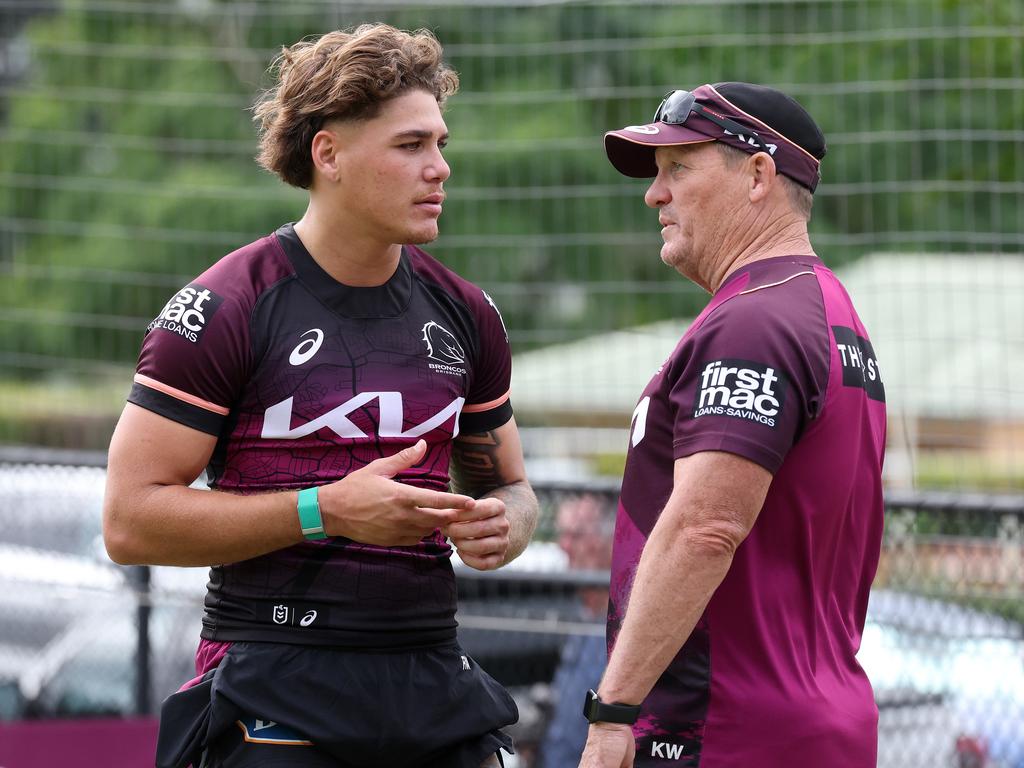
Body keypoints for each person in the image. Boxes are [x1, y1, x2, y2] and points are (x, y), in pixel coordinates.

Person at [101, 24, 538, 768]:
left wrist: (508, 525)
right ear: (328, 154)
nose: (440, 168)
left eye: (440, 143)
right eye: (410, 147)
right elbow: (129, 522)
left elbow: (510, 485)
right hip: (273, 679)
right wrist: (324, 510)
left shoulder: (469, 314)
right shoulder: (225, 308)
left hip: (431, 677)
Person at [577, 83, 887, 767]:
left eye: (678, 169)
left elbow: (704, 527)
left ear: (757, 175)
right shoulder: (823, 308)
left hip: (726, 733)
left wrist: (613, 712)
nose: (655, 195)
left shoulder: (754, 321)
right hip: (808, 720)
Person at [537, 495, 614, 768]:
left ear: (607, 542)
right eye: (563, 534)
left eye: (576, 535)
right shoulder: (583, 617)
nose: (564, 546)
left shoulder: (616, 632)